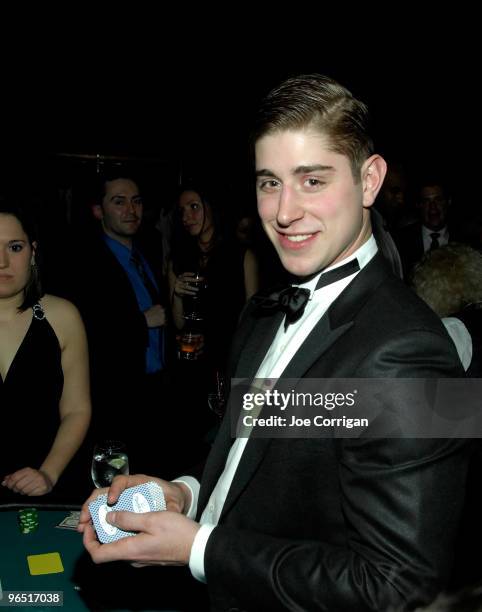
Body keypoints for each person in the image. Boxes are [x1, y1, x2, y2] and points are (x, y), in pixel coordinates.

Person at [80, 75, 468, 611]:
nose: (284, 212)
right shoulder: (264, 311)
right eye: (269, 182)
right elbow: (254, 444)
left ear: (370, 179)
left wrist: (198, 548)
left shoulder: (418, 352)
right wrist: (189, 492)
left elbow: (399, 589)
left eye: (312, 181)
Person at [64, 173, 171, 474]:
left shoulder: (145, 251)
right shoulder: (84, 261)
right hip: (117, 398)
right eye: (119, 201)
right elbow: (85, 330)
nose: (131, 210)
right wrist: (141, 322)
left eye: (136, 201)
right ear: (99, 211)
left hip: (154, 392)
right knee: (115, 489)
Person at [0, 198, 91, 501]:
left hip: (47, 486)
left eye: (15, 247)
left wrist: (48, 473)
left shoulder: (62, 316)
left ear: (33, 252)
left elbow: (77, 409)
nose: (2, 261)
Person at [169, 184, 259, 369]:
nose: (187, 217)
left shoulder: (242, 256)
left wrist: (215, 342)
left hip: (229, 358)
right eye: (182, 211)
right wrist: (177, 295)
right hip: (191, 360)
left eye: (194, 207)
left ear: (211, 207)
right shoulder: (177, 259)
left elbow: (252, 319)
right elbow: (179, 324)